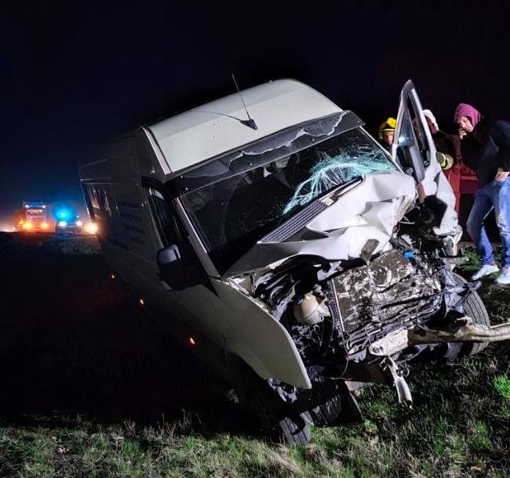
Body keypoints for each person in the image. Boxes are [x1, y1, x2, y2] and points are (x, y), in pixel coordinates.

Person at [454, 103, 510, 284]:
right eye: (459, 121)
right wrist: (465, 142)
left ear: (473, 116)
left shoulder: (495, 127)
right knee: (472, 224)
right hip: (484, 185)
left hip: (503, 182)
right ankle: (488, 263)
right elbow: (471, 163)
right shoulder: (470, 139)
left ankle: (509, 266)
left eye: (465, 119)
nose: (462, 124)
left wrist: (507, 167)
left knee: (504, 222)